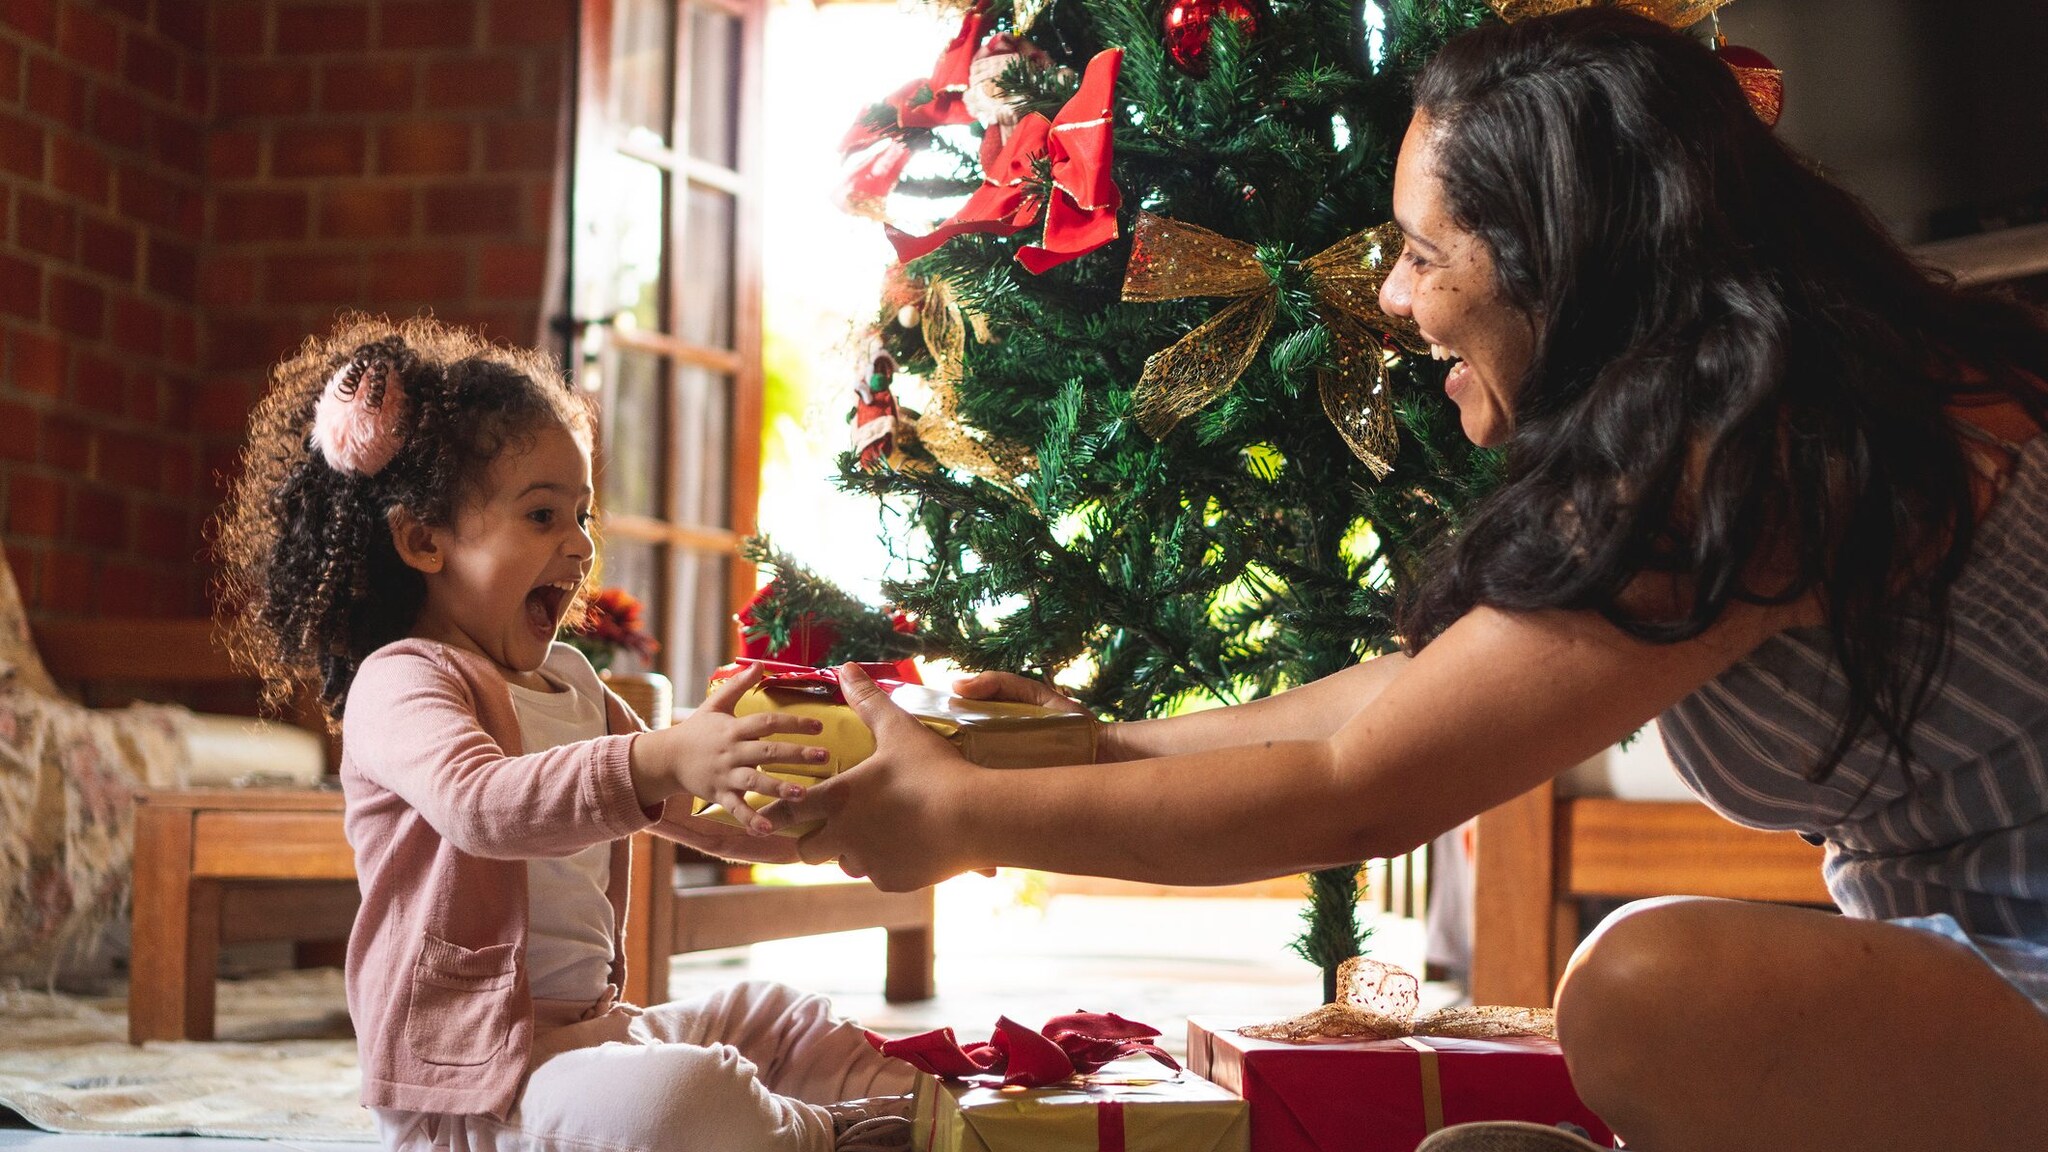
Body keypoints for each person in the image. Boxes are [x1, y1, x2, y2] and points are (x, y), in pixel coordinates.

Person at [768, 10, 2048, 1151]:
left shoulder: (1747, 456)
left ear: (1561, 260)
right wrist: (1089, 749)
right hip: (1977, 957)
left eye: (1424, 254)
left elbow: (1356, 791)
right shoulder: (1769, 396)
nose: (1388, 294)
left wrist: (963, 821)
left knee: (1643, 990)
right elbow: (1405, 696)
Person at [215, 315, 916, 1152]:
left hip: (593, 1037)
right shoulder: (399, 680)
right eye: (542, 515)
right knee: (686, 1097)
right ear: (424, 541)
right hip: (476, 1090)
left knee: (774, 1013)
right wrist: (662, 754)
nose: (581, 545)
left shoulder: (573, 681)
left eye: (582, 514)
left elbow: (689, 809)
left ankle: (932, 1105)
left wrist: (818, 825)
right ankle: (825, 1132)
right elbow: (482, 805)